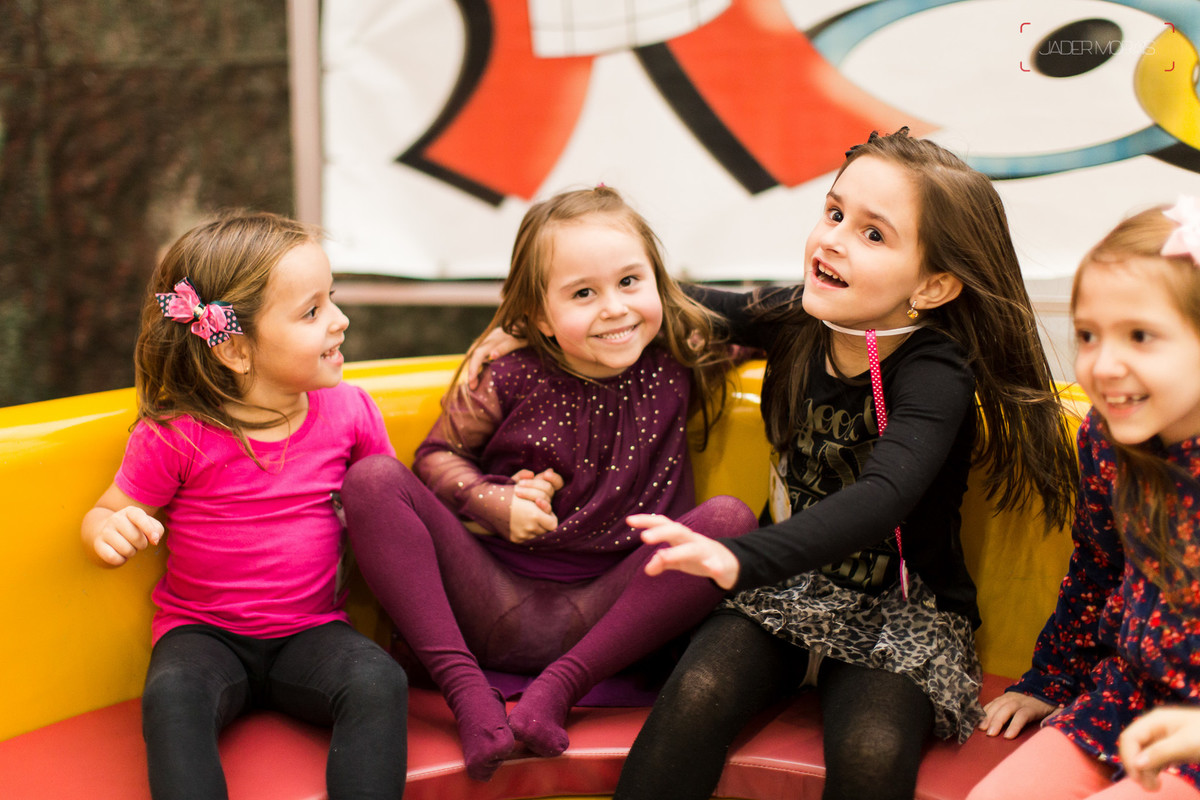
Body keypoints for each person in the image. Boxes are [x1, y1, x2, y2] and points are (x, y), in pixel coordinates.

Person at [597, 128, 1079, 800]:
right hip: (783, 593)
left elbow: (884, 495)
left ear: (935, 284)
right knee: (696, 692)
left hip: (904, 612)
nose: (833, 239)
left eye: (873, 235)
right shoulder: (797, 318)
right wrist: (555, 306)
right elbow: (677, 304)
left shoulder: (935, 371)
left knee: (872, 751)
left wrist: (740, 558)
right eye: (834, 213)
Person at [340, 185, 758, 781]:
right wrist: (494, 501)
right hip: (492, 602)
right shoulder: (506, 370)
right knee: (373, 479)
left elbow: (788, 315)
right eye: (583, 293)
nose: (613, 307)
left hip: (614, 623)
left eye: (630, 282)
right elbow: (437, 458)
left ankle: (560, 686)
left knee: (730, 522)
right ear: (538, 314)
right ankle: (467, 694)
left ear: (659, 284)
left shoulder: (683, 355)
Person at [81, 211, 408, 800]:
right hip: (203, 635)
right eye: (312, 312)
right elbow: (107, 512)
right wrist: (111, 531)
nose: (340, 321)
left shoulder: (350, 413)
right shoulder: (176, 434)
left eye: (330, 299)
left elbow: (393, 511)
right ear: (234, 349)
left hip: (313, 633)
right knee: (172, 699)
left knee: (379, 682)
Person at [968, 198, 1200, 799]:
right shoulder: (1105, 436)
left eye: (1141, 336)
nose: (1102, 364)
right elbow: (1097, 567)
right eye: (1089, 335)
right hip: (1127, 698)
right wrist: (1051, 678)